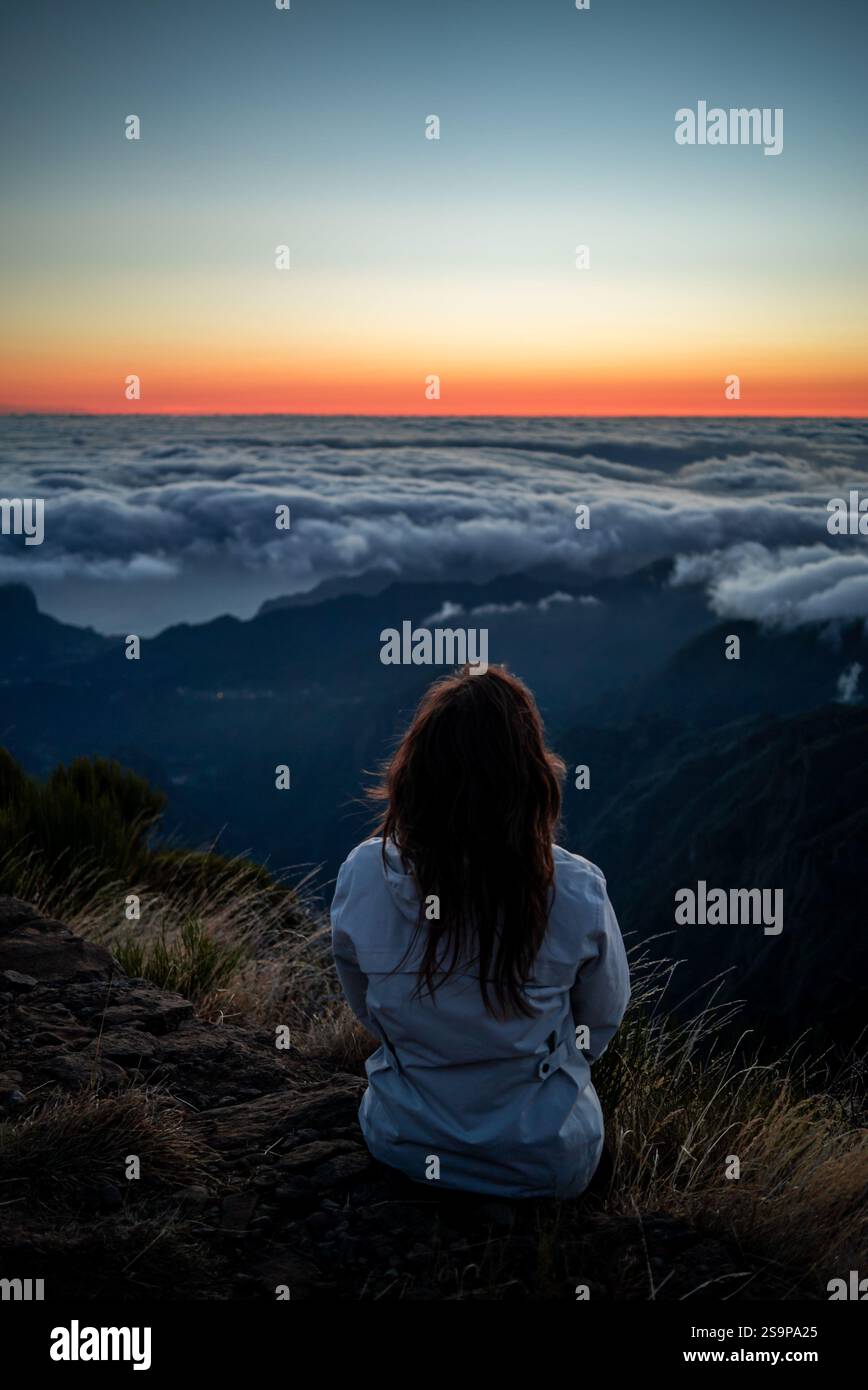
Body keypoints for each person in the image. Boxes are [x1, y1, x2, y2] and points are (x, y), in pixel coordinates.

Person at [330, 664, 630, 1199]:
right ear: (531, 779)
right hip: (545, 1162)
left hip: (404, 1141)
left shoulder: (362, 873)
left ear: (414, 774)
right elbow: (599, 1023)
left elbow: (367, 1007)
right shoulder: (577, 891)